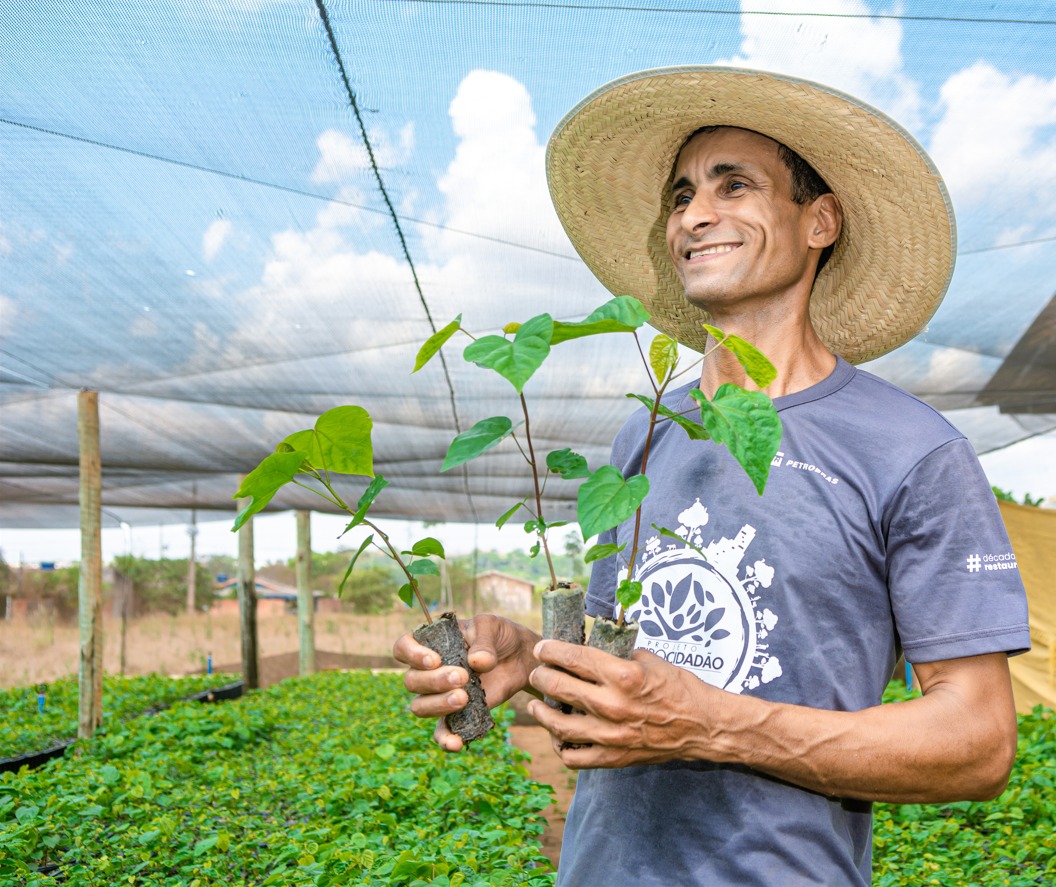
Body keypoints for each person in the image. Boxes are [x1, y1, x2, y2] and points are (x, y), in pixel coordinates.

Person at [393, 67, 1031, 885]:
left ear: (820, 222)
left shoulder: (912, 451)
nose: (695, 214)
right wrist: (527, 656)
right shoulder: (645, 431)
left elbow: (977, 746)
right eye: (682, 195)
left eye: (735, 186)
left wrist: (708, 725)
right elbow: (620, 667)